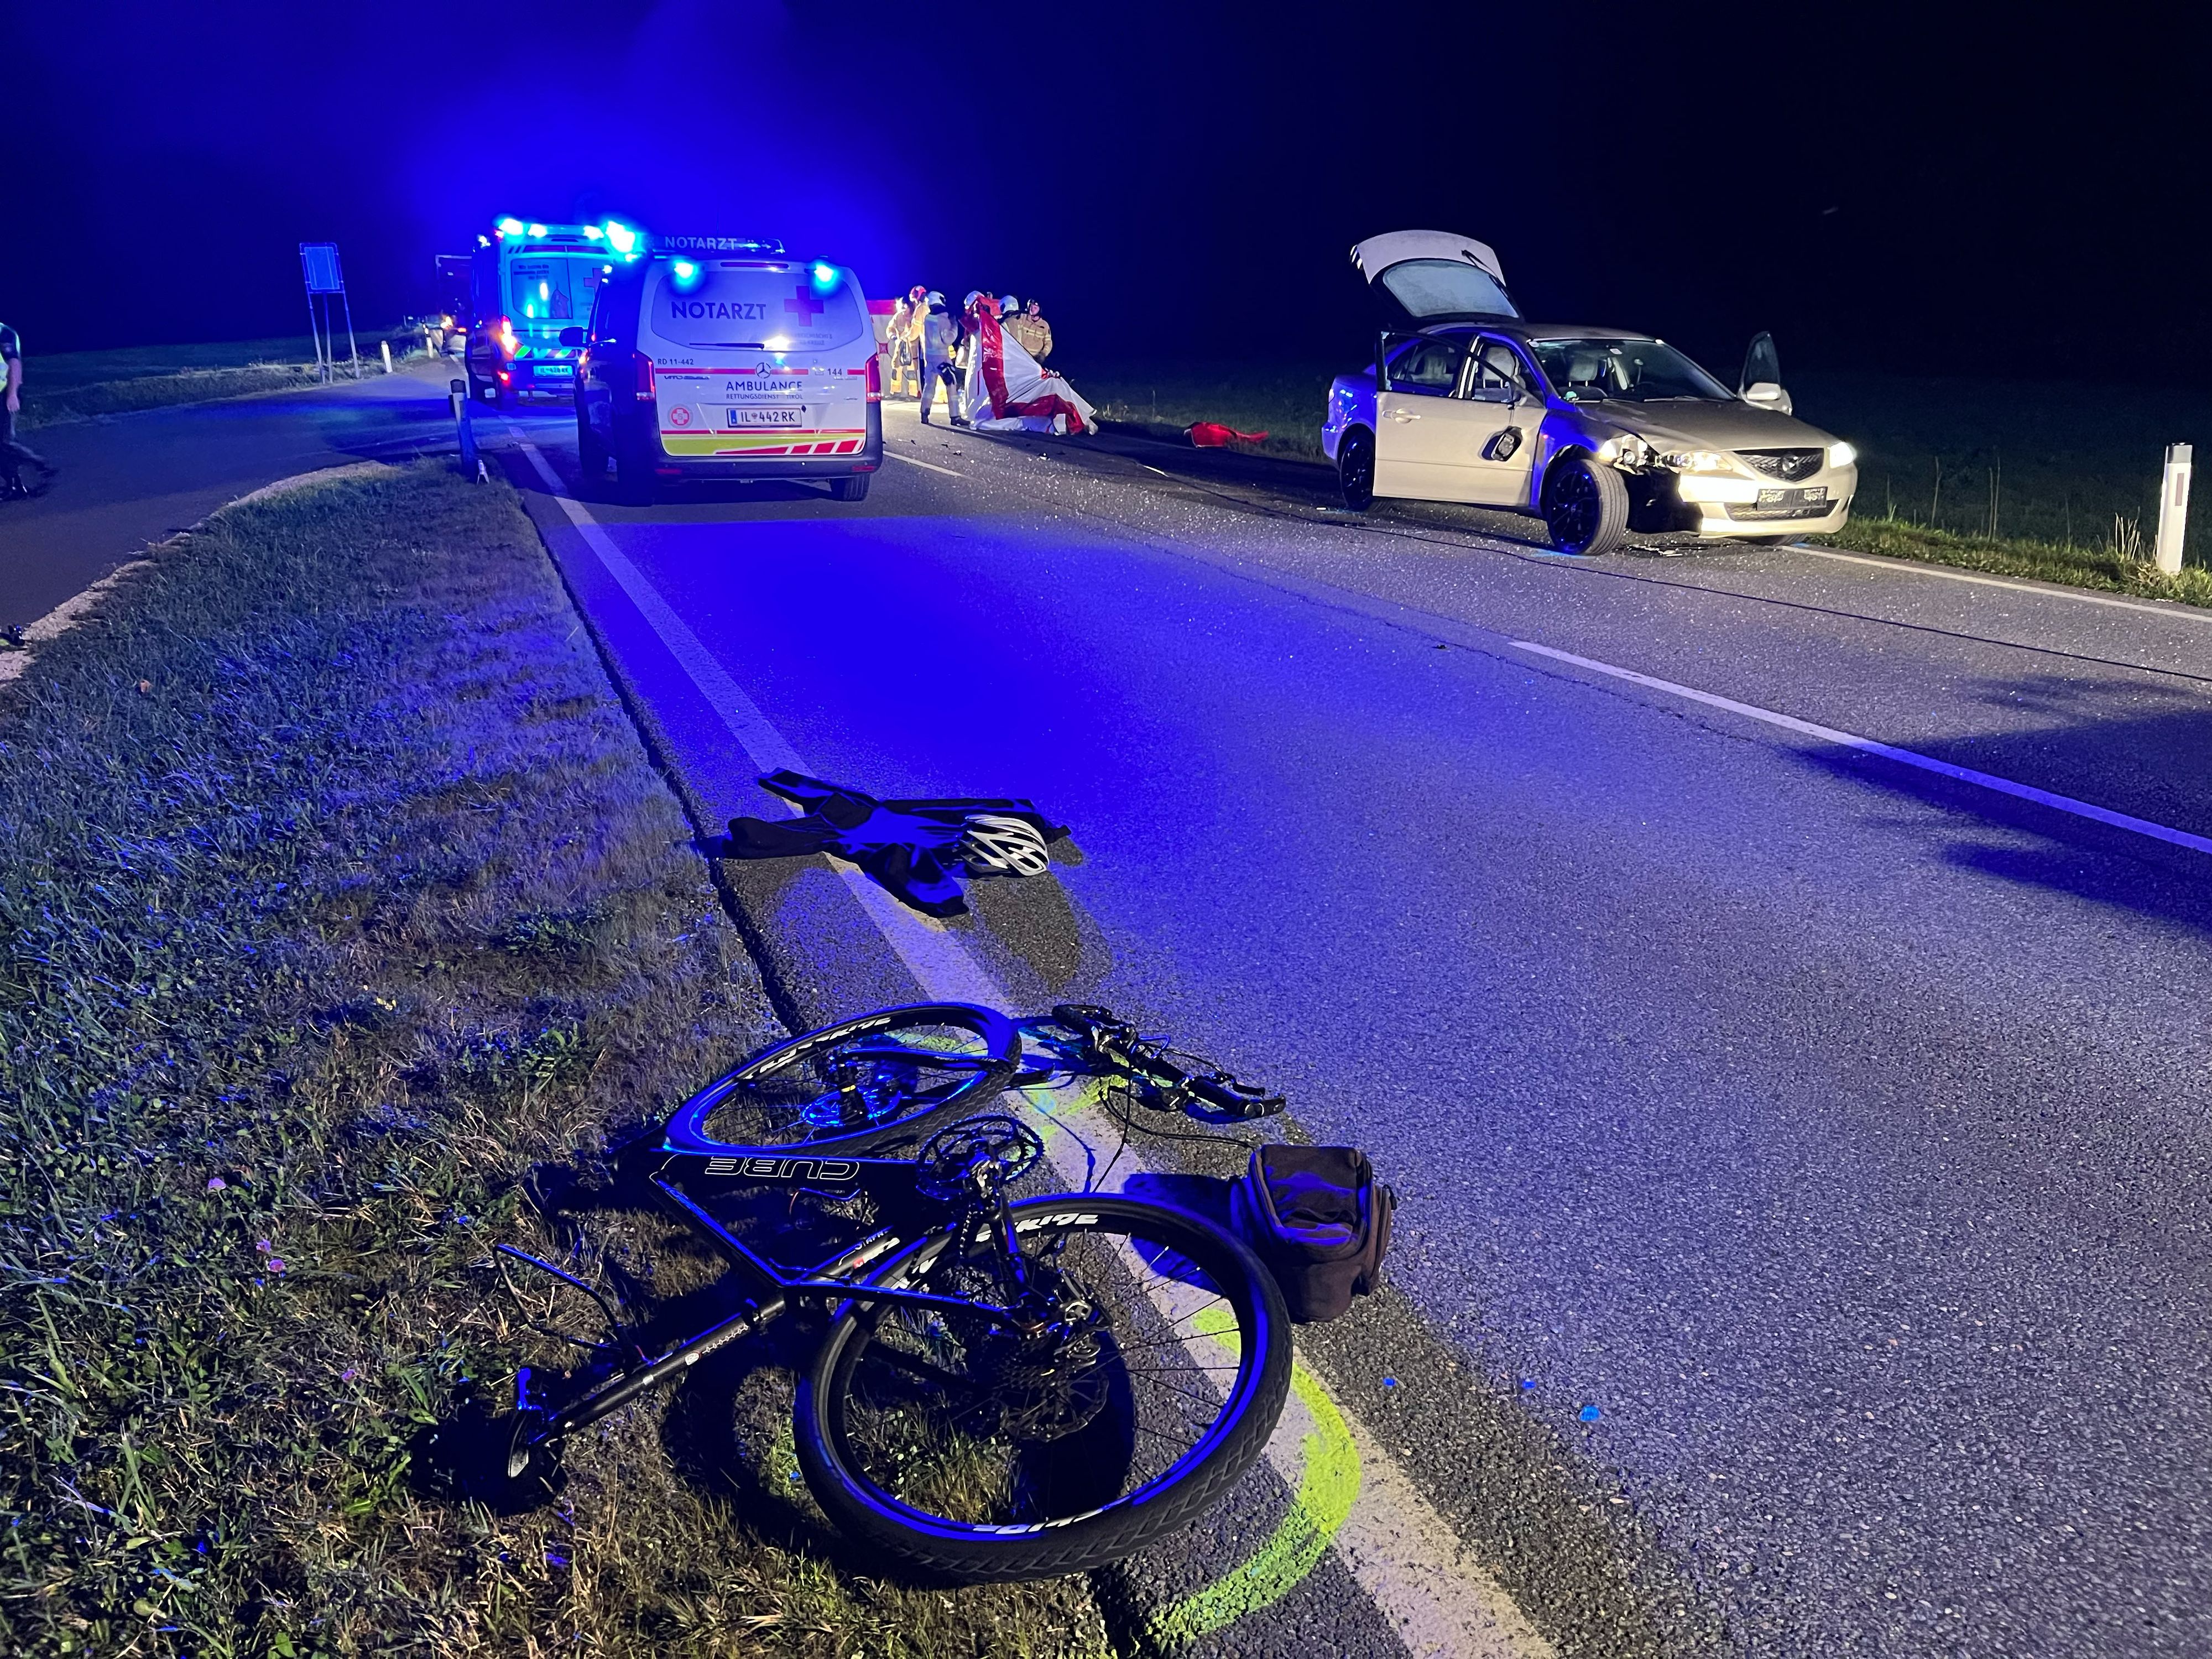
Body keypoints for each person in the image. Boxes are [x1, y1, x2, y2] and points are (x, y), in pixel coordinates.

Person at [0, 321, 56, 499]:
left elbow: (14, 364)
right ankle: (14, 485)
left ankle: (41, 464)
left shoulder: (4, 333)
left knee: (5, 442)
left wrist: (12, 394)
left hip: (4, 394)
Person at [917, 291, 961, 424]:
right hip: (943, 360)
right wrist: (954, 325)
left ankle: (924, 414)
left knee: (929, 387)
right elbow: (948, 339)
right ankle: (955, 417)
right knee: (951, 386)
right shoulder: (943, 319)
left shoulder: (928, 319)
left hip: (930, 359)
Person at [885, 296, 916, 399]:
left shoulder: (915, 317)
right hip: (900, 346)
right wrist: (893, 336)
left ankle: (913, 393)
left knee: (912, 370)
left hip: (913, 347)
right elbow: (890, 328)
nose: (903, 308)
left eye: (905, 305)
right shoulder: (898, 316)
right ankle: (895, 392)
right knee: (896, 367)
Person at [1007, 298, 1052, 362]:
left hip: (1034, 360)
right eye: (1031, 307)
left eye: (1035, 308)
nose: (1032, 309)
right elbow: (1011, 322)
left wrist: (1043, 354)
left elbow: (1048, 343)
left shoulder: (1044, 326)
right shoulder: (1022, 318)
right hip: (1019, 356)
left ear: (1040, 310)